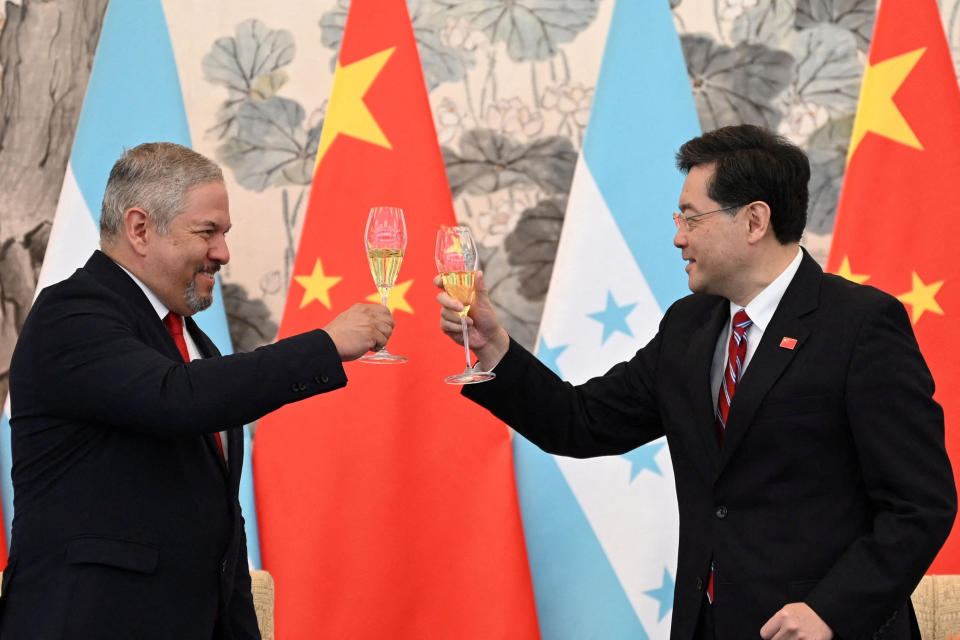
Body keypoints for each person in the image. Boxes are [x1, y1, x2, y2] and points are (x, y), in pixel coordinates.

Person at [436, 125, 956, 639]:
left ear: (755, 220)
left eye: (692, 217)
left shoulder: (860, 324)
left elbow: (920, 503)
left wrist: (830, 612)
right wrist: (493, 348)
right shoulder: (690, 325)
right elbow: (581, 422)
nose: (678, 236)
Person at [0, 142, 394, 639]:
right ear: (140, 229)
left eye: (224, 234)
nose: (223, 253)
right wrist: (324, 346)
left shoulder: (193, 341)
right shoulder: (71, 314)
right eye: (208, 232)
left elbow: (221, 527)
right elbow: (176, 397)